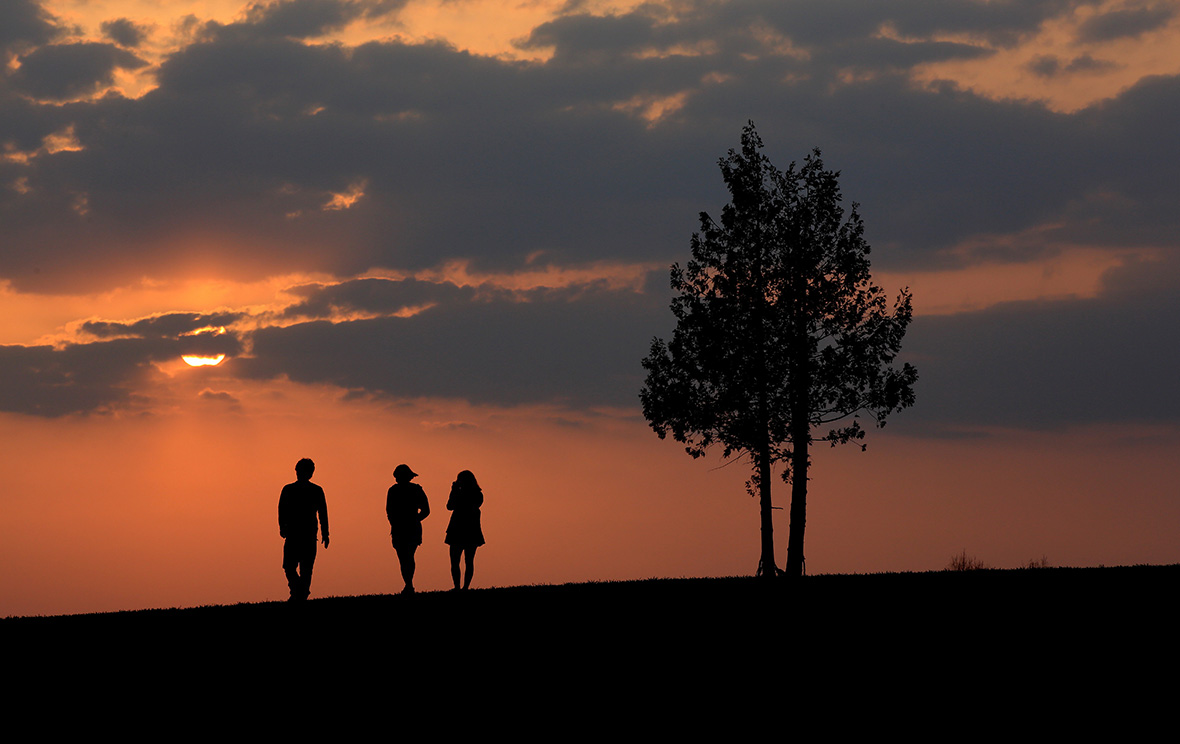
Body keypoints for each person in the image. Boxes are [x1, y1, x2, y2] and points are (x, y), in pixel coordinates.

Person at [278, 458, 329, 601]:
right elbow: (282, 510)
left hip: (307, 534)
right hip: (294, 533)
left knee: (305, 568)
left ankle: (299, 594)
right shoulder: (288, 489)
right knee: (289, 566)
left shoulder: (316, 490)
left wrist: (325, 533)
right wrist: (282, 527)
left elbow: (323, 512)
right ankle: (299, 592)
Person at [387, 463, 429, 594]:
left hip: (407, 528)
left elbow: (426, 510)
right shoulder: (394, 490)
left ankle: (409, 585)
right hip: (402, 528)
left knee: (407, 556)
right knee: (405, 557)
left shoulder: (413, 490)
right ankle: (409, 584)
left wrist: (414, 520)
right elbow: (389, 511)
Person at [445, 470, 485, 590]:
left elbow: (450, 506)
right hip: (468, 531)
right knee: (466, 560)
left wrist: (455, 491)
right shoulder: (477, 494)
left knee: (460, 561)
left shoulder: (474, 494)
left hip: (462, 530)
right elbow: (449, 506)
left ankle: (461, 587)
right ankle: (461, 587)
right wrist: (454, 491)